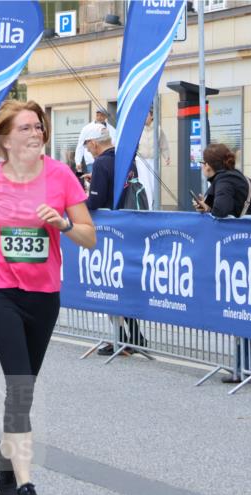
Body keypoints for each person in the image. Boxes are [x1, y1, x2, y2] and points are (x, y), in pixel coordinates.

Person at [0, 100, 96, 495]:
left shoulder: (61, 176)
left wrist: (65, 225)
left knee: (24, 389)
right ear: (5, 139)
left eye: (40, 127)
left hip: (43, 295)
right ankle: (27, 487)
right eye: (27, 128)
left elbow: (89, 237)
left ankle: (1, 454)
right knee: (19, 385)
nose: (37, 133)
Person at [192, 143, 251, 384]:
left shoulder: (224, 181)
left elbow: (222, 211)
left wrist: (210, 208)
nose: (202, 167)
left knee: (246, 309)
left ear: (208, 166)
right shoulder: (237, 178)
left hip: (244, 252)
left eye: (203, 163)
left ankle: (246, 368)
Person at [84, 125, 149, 356]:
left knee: (110, 284)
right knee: (124, 284)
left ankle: (120, 338)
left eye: (87, 146)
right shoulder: (126, 159)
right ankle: (136, 335)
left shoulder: (102, 162)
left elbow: (95, 201)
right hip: (129, 227)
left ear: (93, 143)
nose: (88, 151)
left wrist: (76, 202)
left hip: (110, 232)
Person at [75, 107, 115, 176]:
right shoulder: (87, 128)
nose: (99, 117)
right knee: (93, 180)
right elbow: (80, 145)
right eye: (97, 115)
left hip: (106, 160)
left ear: (105, 117)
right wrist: (78, 161)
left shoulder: (112, 130)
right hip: (91, 161)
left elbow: (114, 144)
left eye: (102, 115)